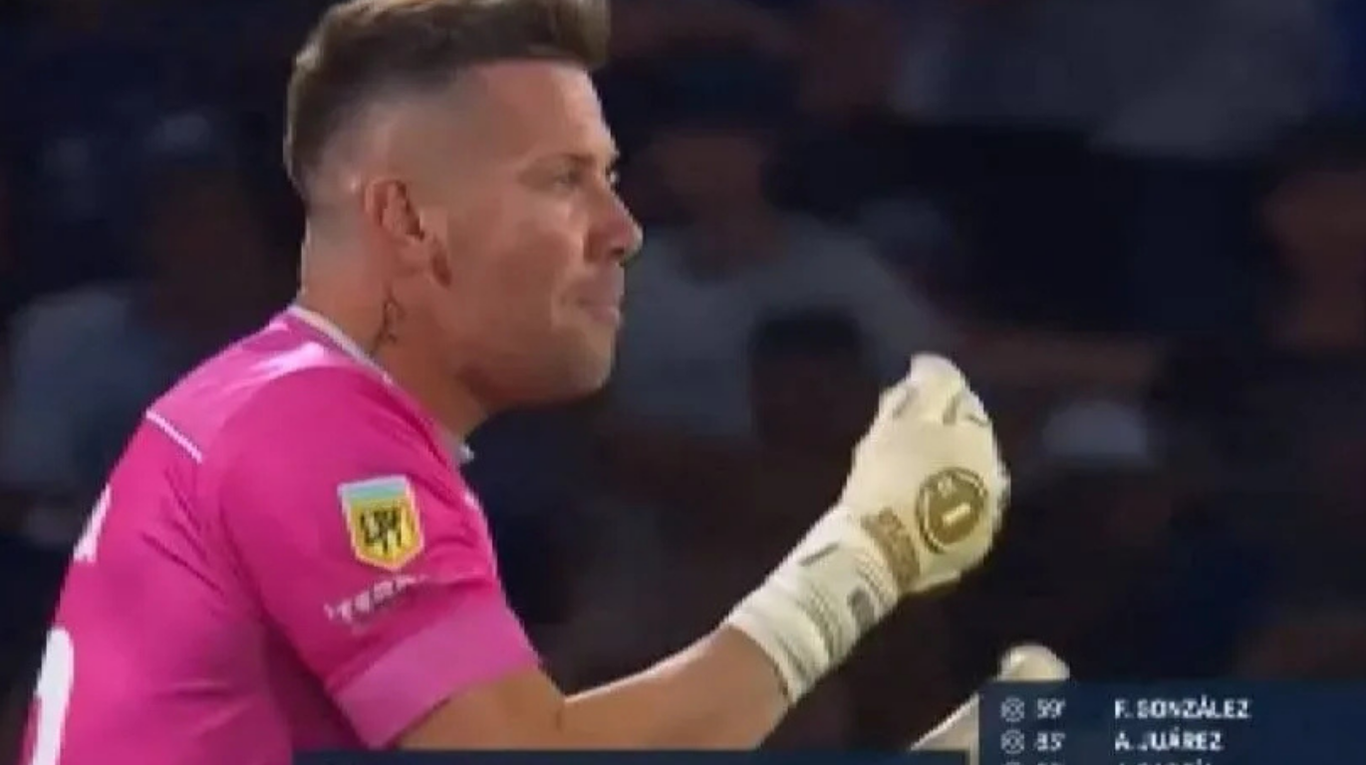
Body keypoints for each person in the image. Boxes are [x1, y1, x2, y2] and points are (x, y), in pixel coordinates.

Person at [18, 1, 1009, 762]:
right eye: (559, 183)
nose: (620, 231)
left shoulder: (300, 401)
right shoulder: (319, 443)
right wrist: (867, 555)